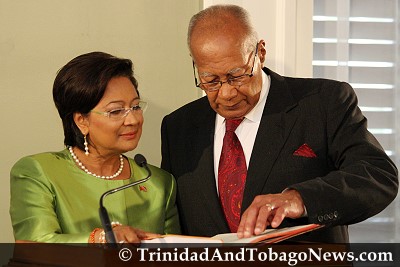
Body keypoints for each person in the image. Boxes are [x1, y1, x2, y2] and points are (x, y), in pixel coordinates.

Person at [160, 4, 398, 243]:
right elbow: (169, 222)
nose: (226, 93)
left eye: (237, 75)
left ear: (260, 53)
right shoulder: (178, 128)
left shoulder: (322, 102)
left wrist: (300, 198)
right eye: (210, 80)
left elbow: (377, 176)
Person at [10, 52, 180, 244]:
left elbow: (173, 253)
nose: (133, 120)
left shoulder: (158, 182)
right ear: (81, 120)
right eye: (116, 111)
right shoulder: (38, 172)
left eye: (135, 107)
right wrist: (100, 238)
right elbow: (33, 245)